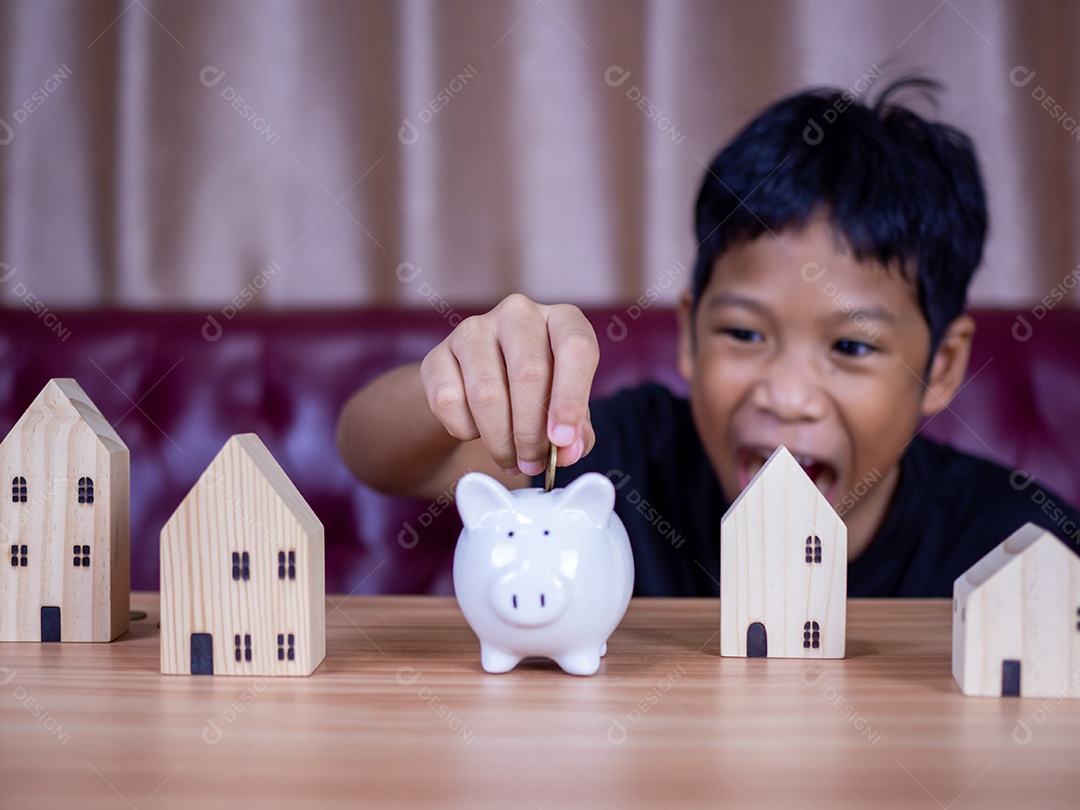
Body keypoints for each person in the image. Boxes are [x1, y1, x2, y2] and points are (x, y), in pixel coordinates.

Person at [338, 77, 1080, 597]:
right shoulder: (628, 458)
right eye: (743, 333)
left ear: (941, 367)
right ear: (690, 336)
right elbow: (376, 455)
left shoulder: (1015, 544)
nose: (786, 396)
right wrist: (456, 385)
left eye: (851, 347)